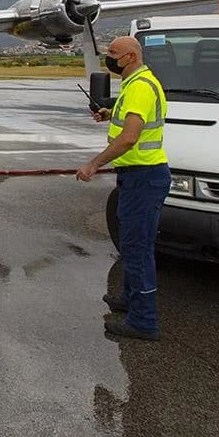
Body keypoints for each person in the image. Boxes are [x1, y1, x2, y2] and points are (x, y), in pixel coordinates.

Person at [75, 35, 169, 341]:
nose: (108, 58)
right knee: (130, 245)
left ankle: (143, 321)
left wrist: (93, 164)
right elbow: (129, 117)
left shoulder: (141, 86)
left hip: (144, 178)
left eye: (113, 53)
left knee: (137, 249)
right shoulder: (135, 83)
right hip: (136, 176)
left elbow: (129, 137)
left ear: (130, 57)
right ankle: (129, 299)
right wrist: (108, 113)